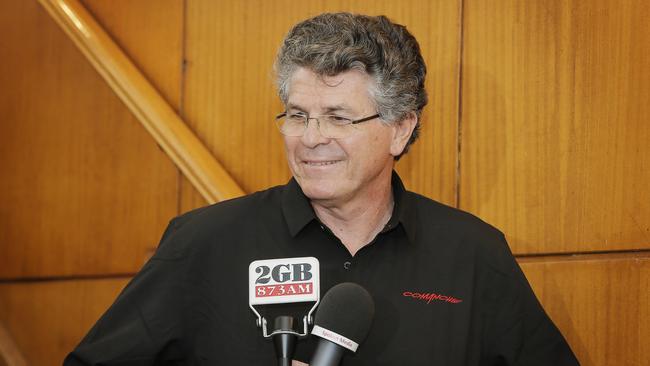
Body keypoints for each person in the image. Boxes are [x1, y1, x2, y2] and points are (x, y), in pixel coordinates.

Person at [65, 12, 579, 365]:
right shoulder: (204, 244)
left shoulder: (472, 253)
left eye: (337, 117)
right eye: (297, 115)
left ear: (400, 128)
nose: (311, 140)